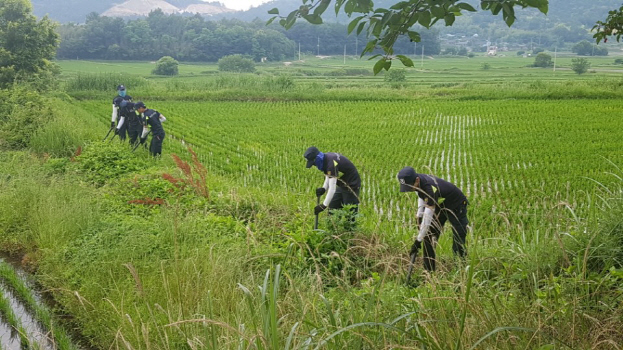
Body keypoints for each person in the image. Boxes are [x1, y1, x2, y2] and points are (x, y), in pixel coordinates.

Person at [397, 166, 469, 272]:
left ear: (416, 180)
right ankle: (429, 272)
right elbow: (421, 196)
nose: (410, 190)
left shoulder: (430, 189)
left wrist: (417, 241)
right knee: (428, 236)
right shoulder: (417, 180)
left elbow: (428, 217)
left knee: (458, 238)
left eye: (410, 187)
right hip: (441, 204)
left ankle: (461, 271)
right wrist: (419, 216)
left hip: (456, 205)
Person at [303, 146, 361, 218]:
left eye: (314, 163)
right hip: (342, 185)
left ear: (317, 158)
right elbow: (329, 175)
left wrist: (323, 206)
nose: (315, 165)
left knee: (349, 213)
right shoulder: (326, 158)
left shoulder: (331, 163)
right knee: (333, 207)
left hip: (352, 185)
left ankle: (349, 229)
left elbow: (332, 189)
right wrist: (324, 188)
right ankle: (333, 227)